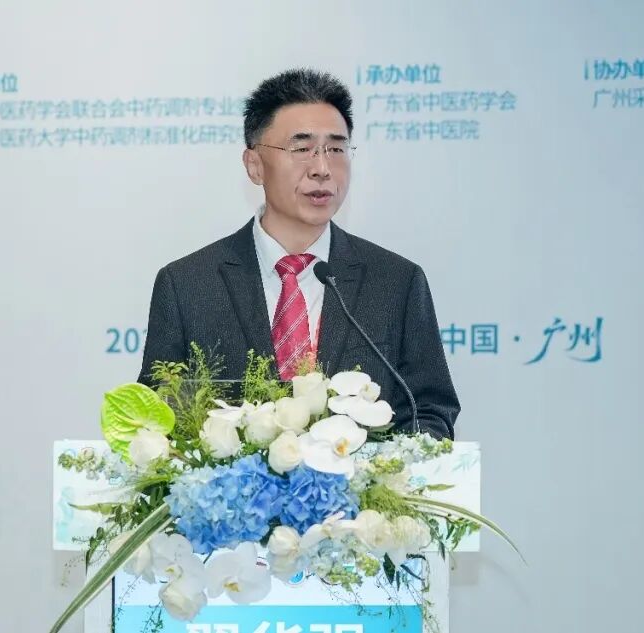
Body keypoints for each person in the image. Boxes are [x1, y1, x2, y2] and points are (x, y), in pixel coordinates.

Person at [138, 68, 459, 439]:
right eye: (302, 149)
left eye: (336, 149)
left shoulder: (396, 282)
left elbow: (430, 412)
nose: (322, 169)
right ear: (254, 165)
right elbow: (158, 420)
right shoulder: (188, 285)